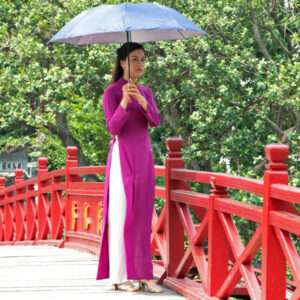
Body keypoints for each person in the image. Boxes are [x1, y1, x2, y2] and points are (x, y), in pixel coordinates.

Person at [96, 42, 163, 293]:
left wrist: (143, 102)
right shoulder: (111, 92)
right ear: (122, 62)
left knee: (142, 215)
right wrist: (124, 102)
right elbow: (113, 128)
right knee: (122, 215)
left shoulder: (145, 90)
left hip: (143, 157)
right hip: (122, 157)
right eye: (134, 59)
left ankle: (144, 274)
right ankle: (120, 275)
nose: (140, 64)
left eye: (143, 59)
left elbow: (155, 120)